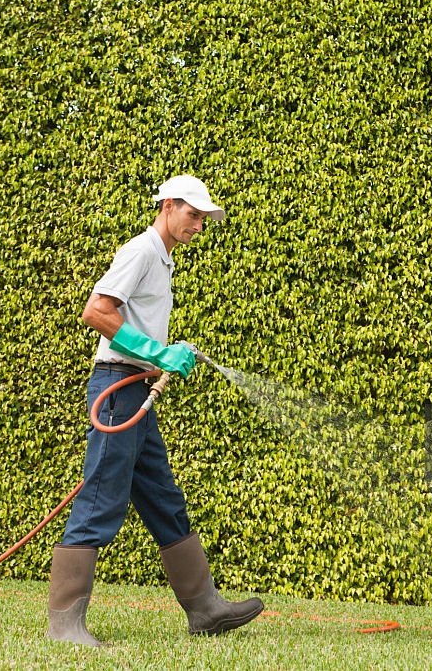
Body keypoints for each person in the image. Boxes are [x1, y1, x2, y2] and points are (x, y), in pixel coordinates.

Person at [47, 175, 263, 646]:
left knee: (163, 499)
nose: (199, 225)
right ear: (168, 205)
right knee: (102, 497)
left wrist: (162, 350)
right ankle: (64, 624)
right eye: (193, 214)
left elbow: (136, 322)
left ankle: (204, 608)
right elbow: (98, 311)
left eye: (204, 219)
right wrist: (157, 353)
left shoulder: (162, 259)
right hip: (117, 387)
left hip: (137, 389)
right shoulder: (141, 250)